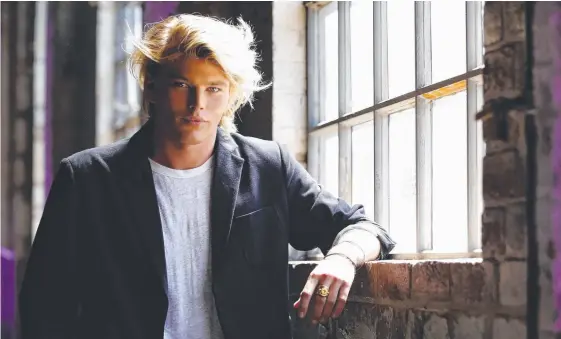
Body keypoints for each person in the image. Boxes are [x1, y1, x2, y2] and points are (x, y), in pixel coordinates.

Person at [19, 14, 395, 339]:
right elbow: (45, 306)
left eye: (213, 89)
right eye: (182, 85)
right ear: (151, 86)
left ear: (231, 94)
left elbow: (363, 226)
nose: (197, 105)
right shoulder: (86, 179)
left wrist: (342, 259)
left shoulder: (268, 165)